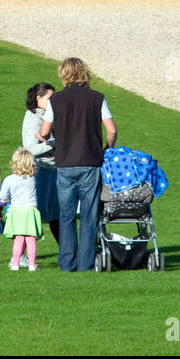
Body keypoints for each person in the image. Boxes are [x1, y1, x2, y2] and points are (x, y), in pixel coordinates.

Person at [37, 58, 116, 273]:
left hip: (65, 164)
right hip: (90, 162)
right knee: (89, 216)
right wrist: (107, 149)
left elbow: (44, 132)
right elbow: (111, 130)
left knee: (66, 215)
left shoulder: (57, 100)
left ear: (64, 75)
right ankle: (86, 264)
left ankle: (67, 263)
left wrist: (43, 136)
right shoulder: (97, 98)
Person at [22, 82, 61, 241]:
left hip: (50, 169)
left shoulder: (44, 115)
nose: (54, 102)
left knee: (55, 215)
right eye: (50, 98)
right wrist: (55, 143)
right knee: (37, 214)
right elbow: (30, 148)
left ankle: (67, 252)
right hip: (41, 170)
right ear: (38, 98)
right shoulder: (34, 118)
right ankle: (23, 256)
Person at [0, 148, 43, 271]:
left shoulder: (9, 179)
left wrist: (9, 201)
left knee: (18, 239)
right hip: (30, 210)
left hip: (16, 210)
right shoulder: (33, 177)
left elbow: (2, 197)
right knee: (31, 239)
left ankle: (15, 264)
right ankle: (32, 264)